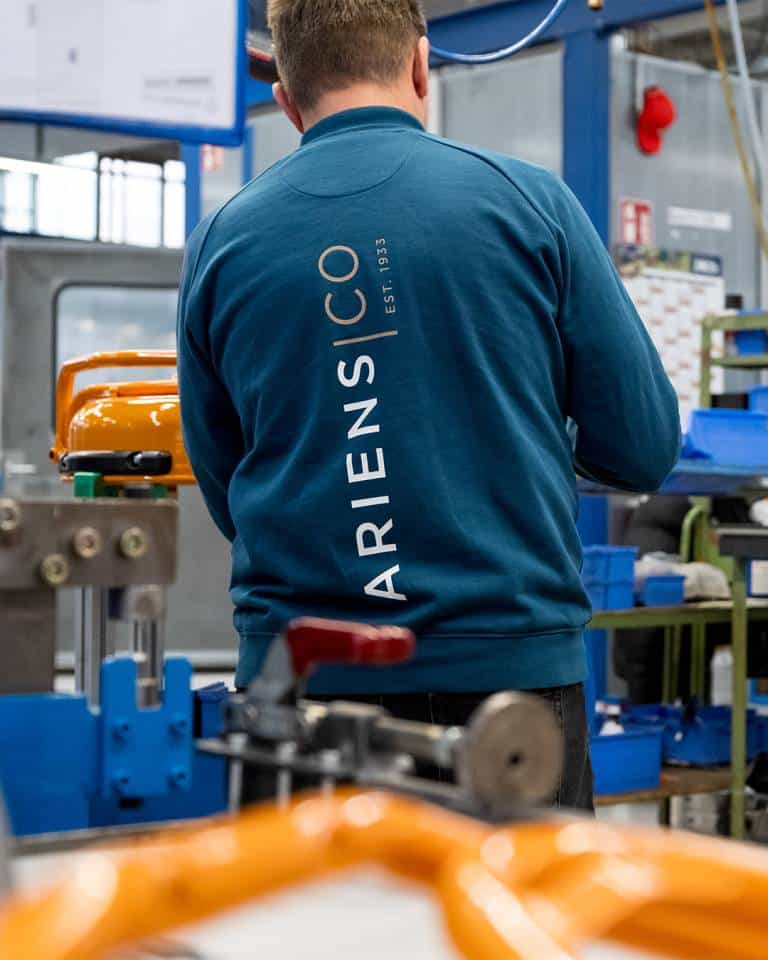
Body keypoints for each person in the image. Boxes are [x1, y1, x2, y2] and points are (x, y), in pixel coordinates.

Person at [177, 0, 680, 811]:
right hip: (512, 690)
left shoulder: (222, 241)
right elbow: (645, 446)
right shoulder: (531, 204)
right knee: (509, 933)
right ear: (420, 64)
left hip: (303, 691)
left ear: (288, 100)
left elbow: (226, 483)